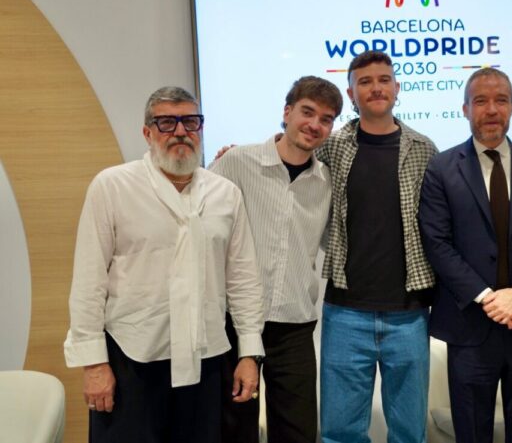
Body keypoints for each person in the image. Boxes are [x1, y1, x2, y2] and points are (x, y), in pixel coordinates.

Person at [63, 87, 265, 443]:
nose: (181, 132)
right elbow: (89, 281)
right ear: (147, 132)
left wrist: (249, 353)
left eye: (190, 121)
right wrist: (94, 364)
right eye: (167, 122)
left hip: (206, 359)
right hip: (131, 359)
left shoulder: (225, 194)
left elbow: (244, 279)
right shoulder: (112, 186)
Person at [418, 67, 512, 442]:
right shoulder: (441, 168)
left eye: (500, 100)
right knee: (471, 432)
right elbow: (437, 242)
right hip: (469, 327)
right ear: (465, 109)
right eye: (481, 101)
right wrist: (488, 298)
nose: (491, 109)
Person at [209, 76, 343, 443]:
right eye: (307, 112)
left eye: (326, 119)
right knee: (235, 428)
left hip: (294, 325)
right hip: (233, 321)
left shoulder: (326, 181)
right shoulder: (237, 161)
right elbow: (199, 219)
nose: (314, 125)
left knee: (298, 431)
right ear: (287, 112)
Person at [317, 50, 438, 443]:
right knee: (340, 431)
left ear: (397, 88)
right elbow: (288, 163)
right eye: (365, 82)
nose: (375, 88)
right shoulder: (332, 148)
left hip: (409, 313)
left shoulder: (424, 149)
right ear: (351, 93)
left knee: (409, 432)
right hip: (345, 312)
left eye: (383, 79)